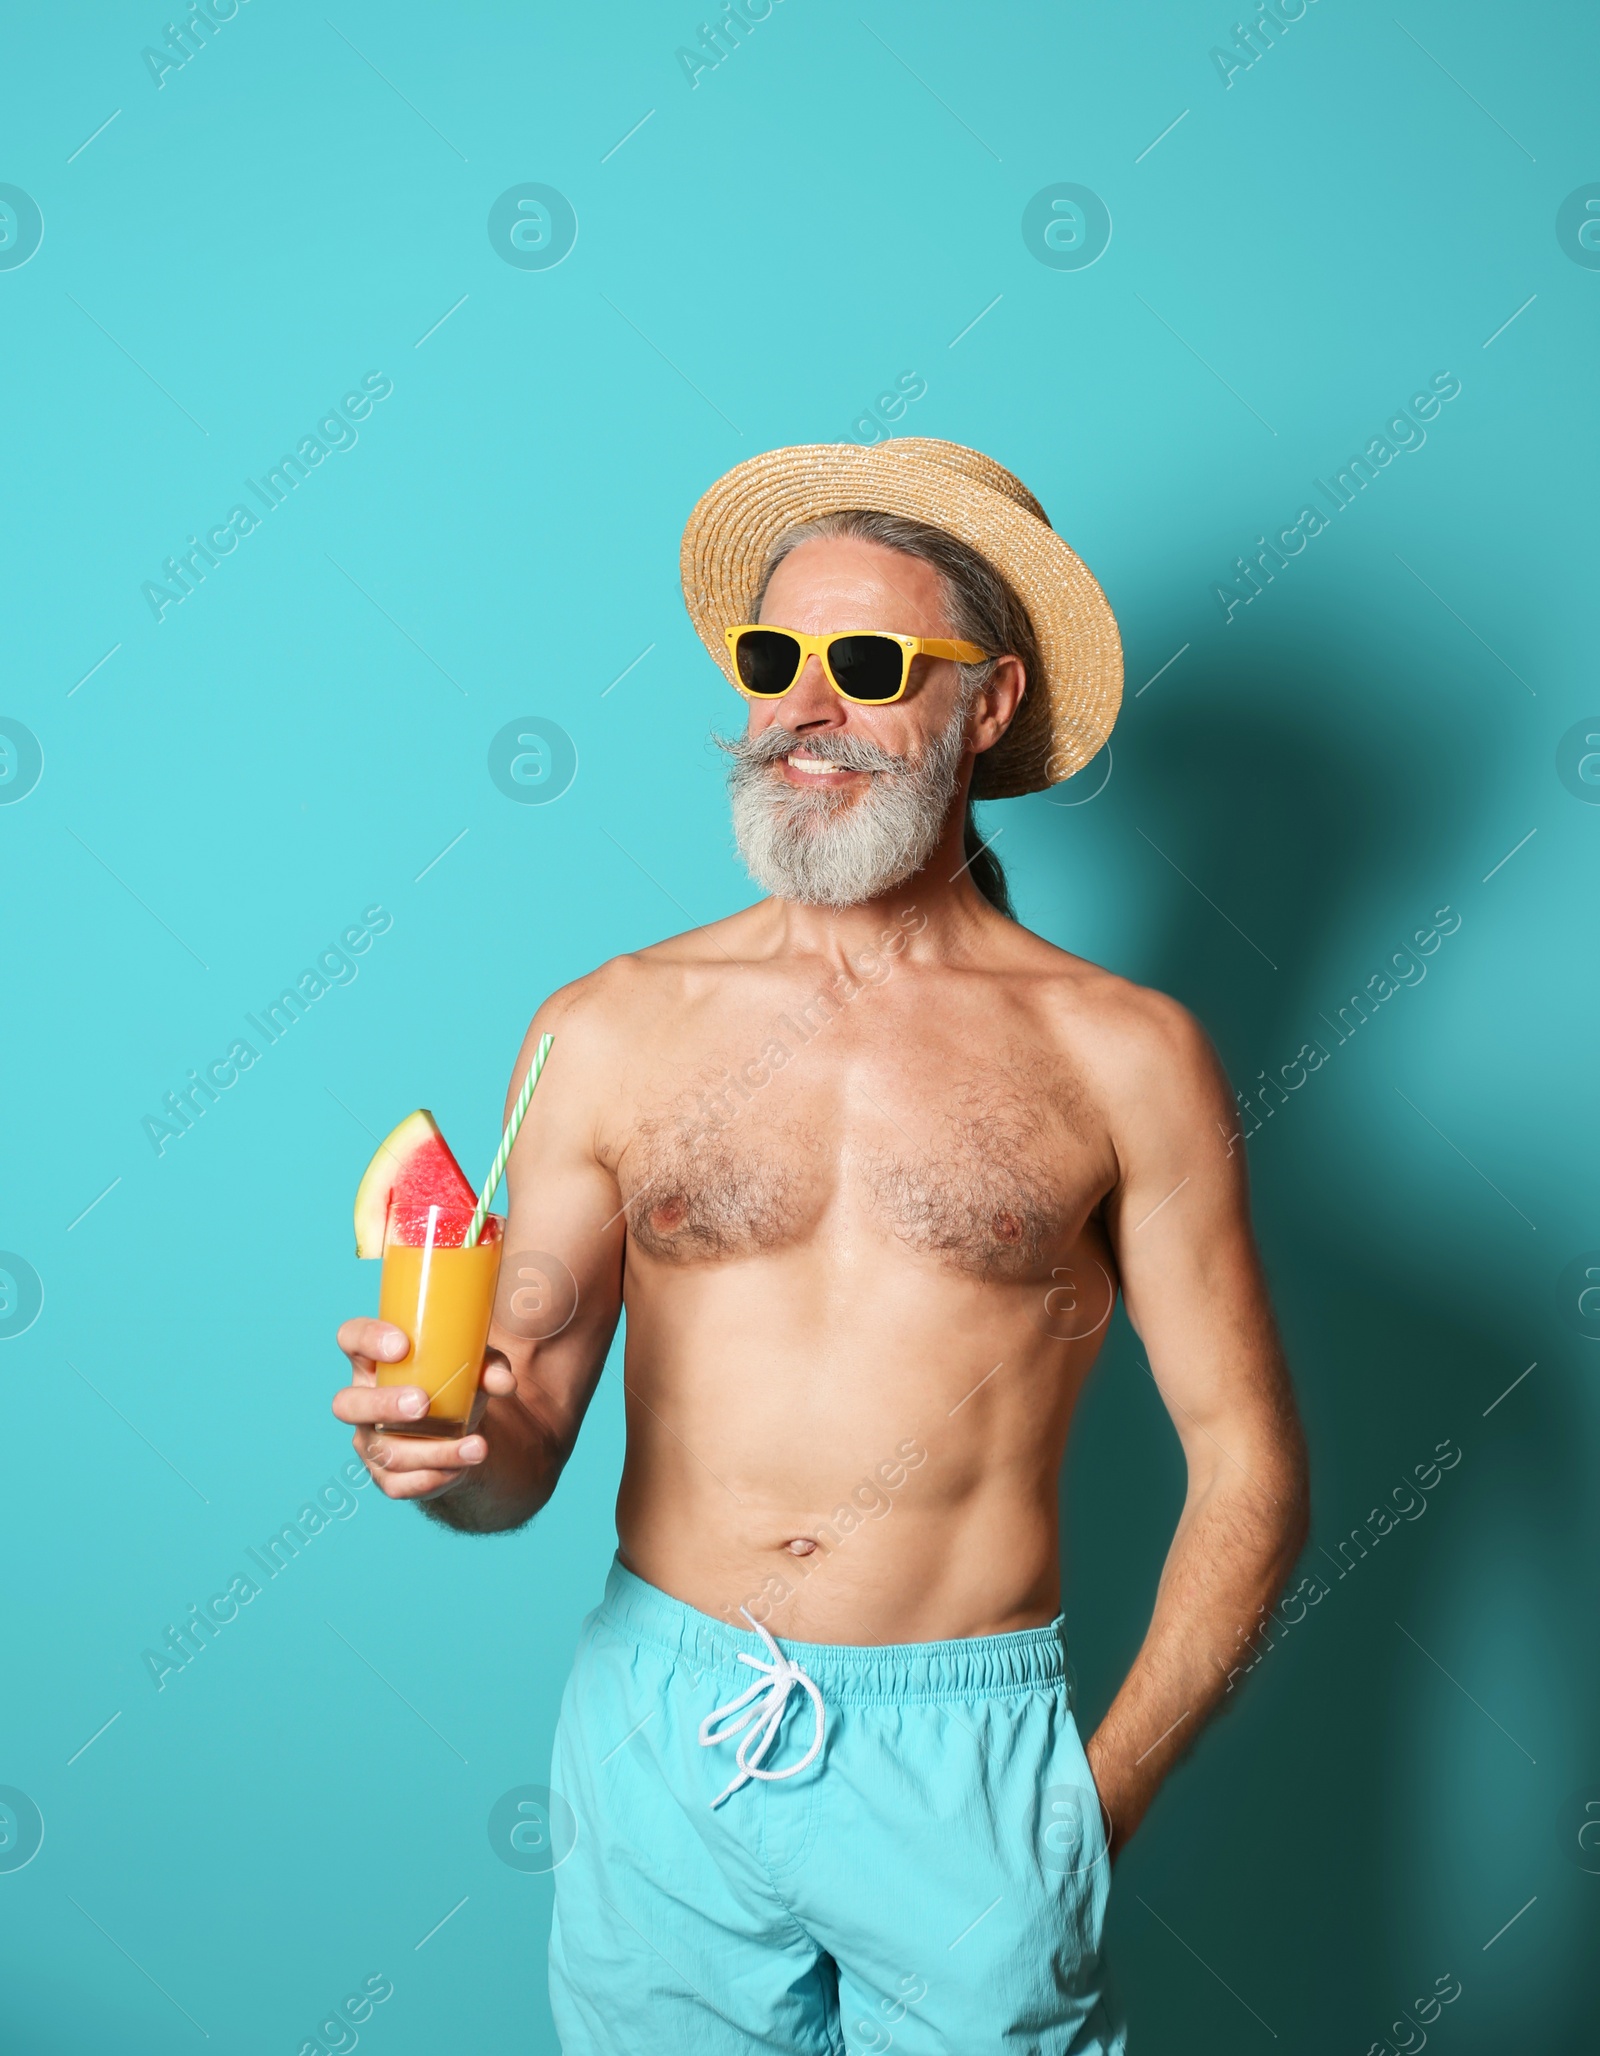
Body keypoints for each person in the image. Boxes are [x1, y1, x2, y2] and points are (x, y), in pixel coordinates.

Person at [333, 439, 1309, 2054]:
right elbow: (522, 1452)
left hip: (970, 1763)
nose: (806, 707)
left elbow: (1250, 1465)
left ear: (986, 707)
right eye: (775, 660)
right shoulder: (607, 1028)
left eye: (868, 666)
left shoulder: (1125, 1056)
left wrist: (1093, 1803)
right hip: (658, 1738)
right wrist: (446, 1450)